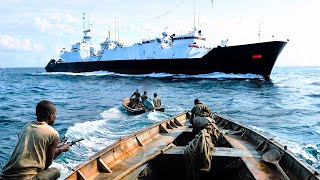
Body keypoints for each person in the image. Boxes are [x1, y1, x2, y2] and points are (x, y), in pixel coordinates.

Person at [0, 100, 72, 180]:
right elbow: (47, 164)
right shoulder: (53, 133)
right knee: (56, 171)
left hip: (4, 176)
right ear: (50, 115)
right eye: (55, 114)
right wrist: (61, 149)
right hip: (25, 179)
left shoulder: (26, 127)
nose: (55, 117)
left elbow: (29, 147)